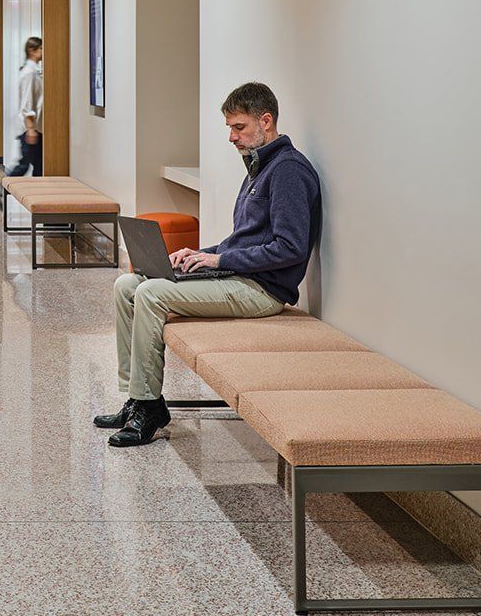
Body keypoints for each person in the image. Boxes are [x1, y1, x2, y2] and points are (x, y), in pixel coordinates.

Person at [98, 82, 322, 447]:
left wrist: (219, 258)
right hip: (238, 275)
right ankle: (136, 397)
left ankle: (149, 408)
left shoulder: (288, 172)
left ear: (266, 121)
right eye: (230, 128)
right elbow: (245, 239)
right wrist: (197, 253)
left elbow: (290, 248)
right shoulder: (259, 168)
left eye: (239, 127)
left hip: (262, 290)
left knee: (152, 293)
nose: (232, 137)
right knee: (127, 285)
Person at [0, 36, 43, 210]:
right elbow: (27, 103)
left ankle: (39, 201)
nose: (44, 52)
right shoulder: (29, 73)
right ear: (32, 51)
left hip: (33, 127)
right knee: (24, 164)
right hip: (30, 128)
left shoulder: (33, 71)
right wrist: (31, 129)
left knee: (39, 166)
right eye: (41, 48)